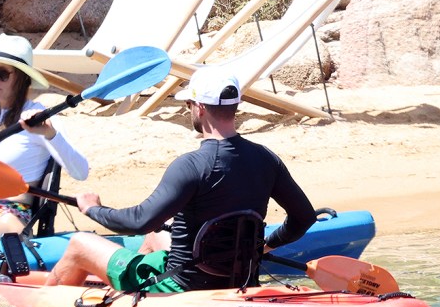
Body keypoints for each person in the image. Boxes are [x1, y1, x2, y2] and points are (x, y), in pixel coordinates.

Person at [45, 67, 316, 292]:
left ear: (199, 108)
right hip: (241, 280)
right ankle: (128, 294)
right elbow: (303, 217)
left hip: (181, 286)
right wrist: (263, 245)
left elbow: (138, 220)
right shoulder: (266, 159)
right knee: (155, 234)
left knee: (79, 243)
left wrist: (92, 208)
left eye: (188, 104)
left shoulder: (191, 165)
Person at [0, 33, 89, 240]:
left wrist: (50, 134)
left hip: (12, 217)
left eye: (2, 73)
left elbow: (81, 172)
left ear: (21, 78)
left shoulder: (38, 118)